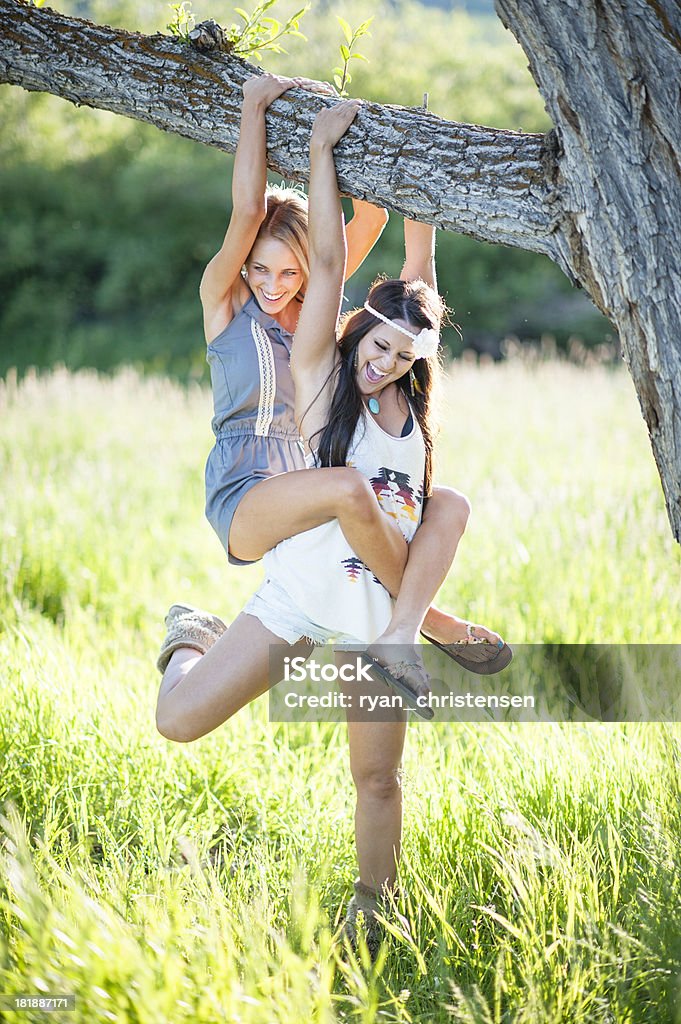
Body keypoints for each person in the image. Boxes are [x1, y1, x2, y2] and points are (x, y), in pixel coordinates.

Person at [156, 94, 512, 956]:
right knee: (177, 723)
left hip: (365, 624)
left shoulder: (411, 407)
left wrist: (421, 158)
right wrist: (318, 146)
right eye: (373, 340)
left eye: (398, 351)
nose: (380, 356)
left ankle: (373, 907)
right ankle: (193, 634)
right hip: (297, 589)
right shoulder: (321, 376)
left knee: (378, 778)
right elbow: (321, 251)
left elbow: (418, 268)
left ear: (416, 358)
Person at [157, 72, 508, 695]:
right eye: (260, 267)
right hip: (247, 488)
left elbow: (365, 224)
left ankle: (405, 626)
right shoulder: (224, 304)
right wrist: (256, 105)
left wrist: (393, 133)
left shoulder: (321, 327)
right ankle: (430, 622)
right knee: (350, 492)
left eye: (287, 271)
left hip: (310, 484)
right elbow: (248, 212)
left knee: (400, 503)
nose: (272, 283)